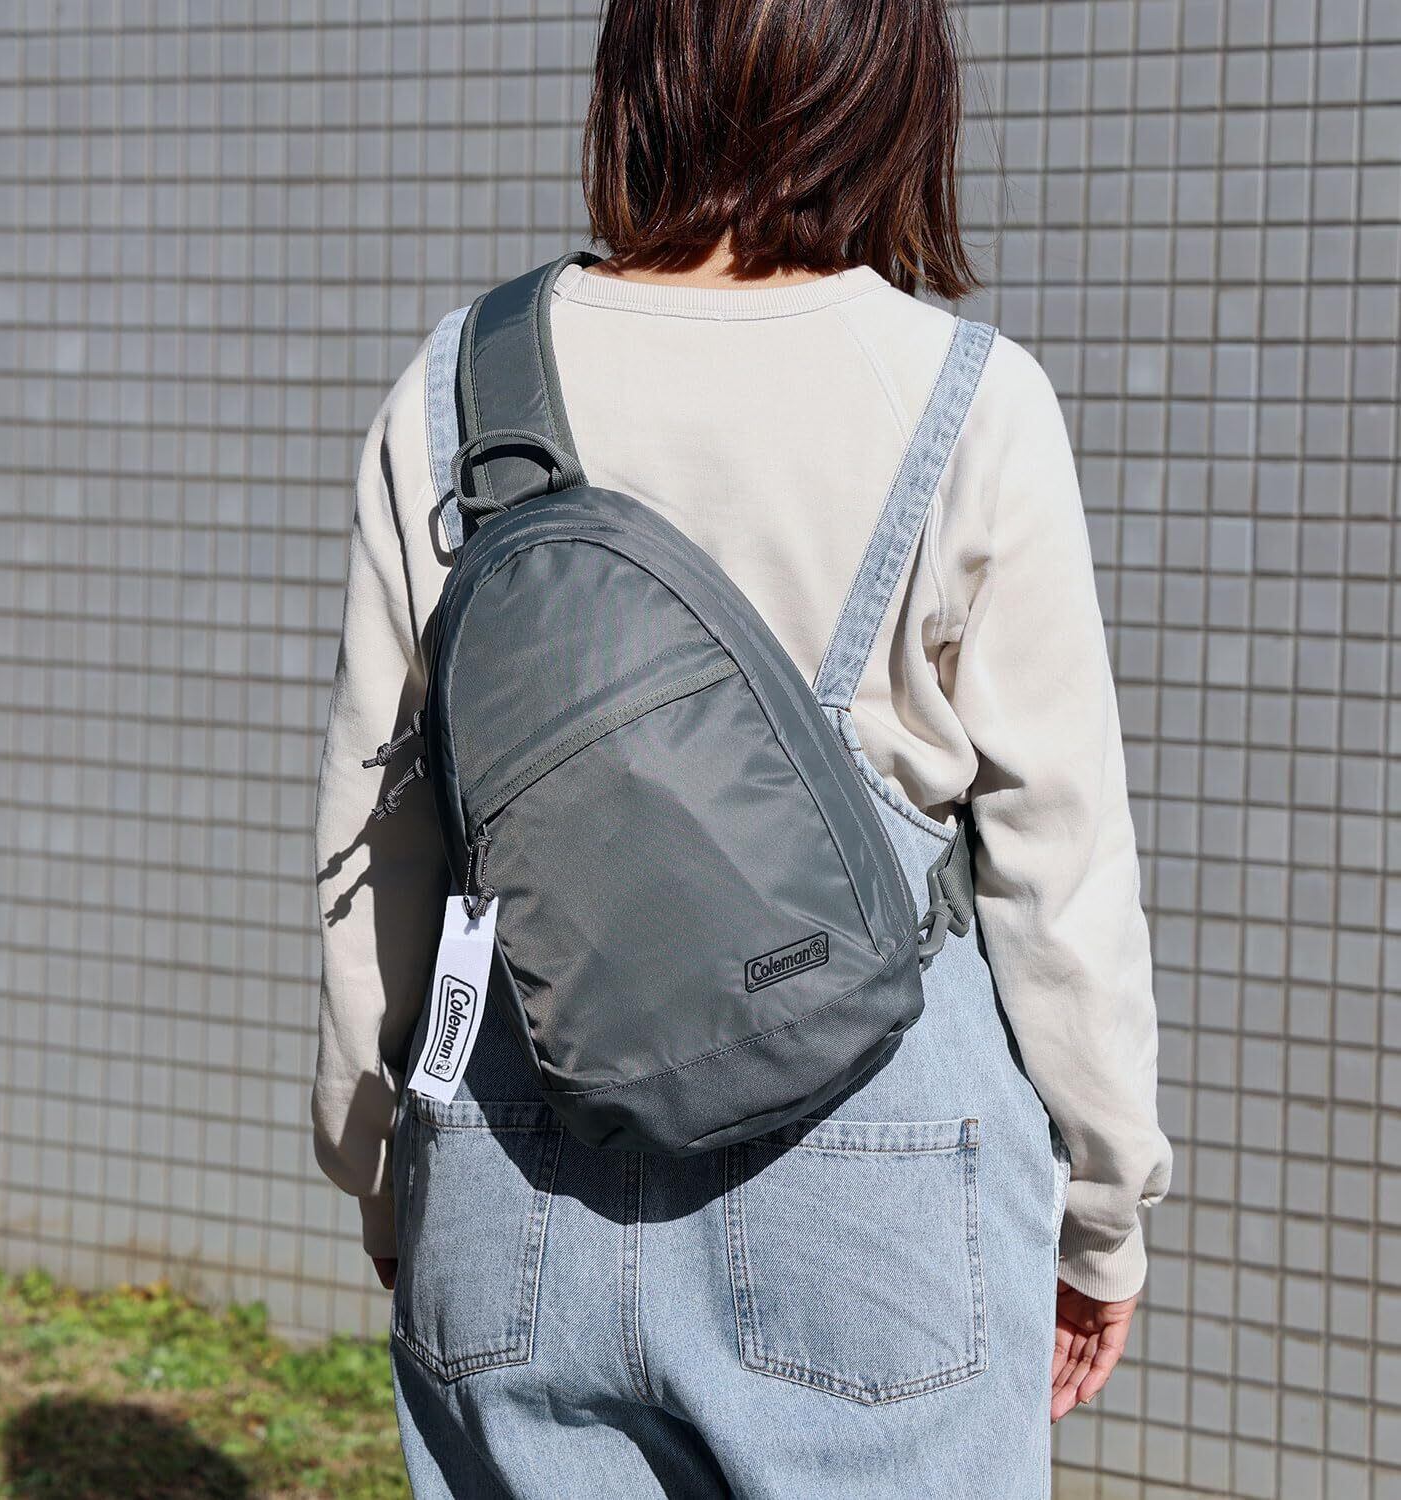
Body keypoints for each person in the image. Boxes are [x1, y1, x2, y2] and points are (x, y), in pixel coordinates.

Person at [312, 0, 1173, 1493]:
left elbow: (383, 839)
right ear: (893, 88)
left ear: (641, 73)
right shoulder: (967, 400)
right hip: (878, 1182)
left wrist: (388, 1164)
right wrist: (1102, 1210)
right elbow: (1061, 868)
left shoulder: (453, 390)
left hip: (515, 1163)